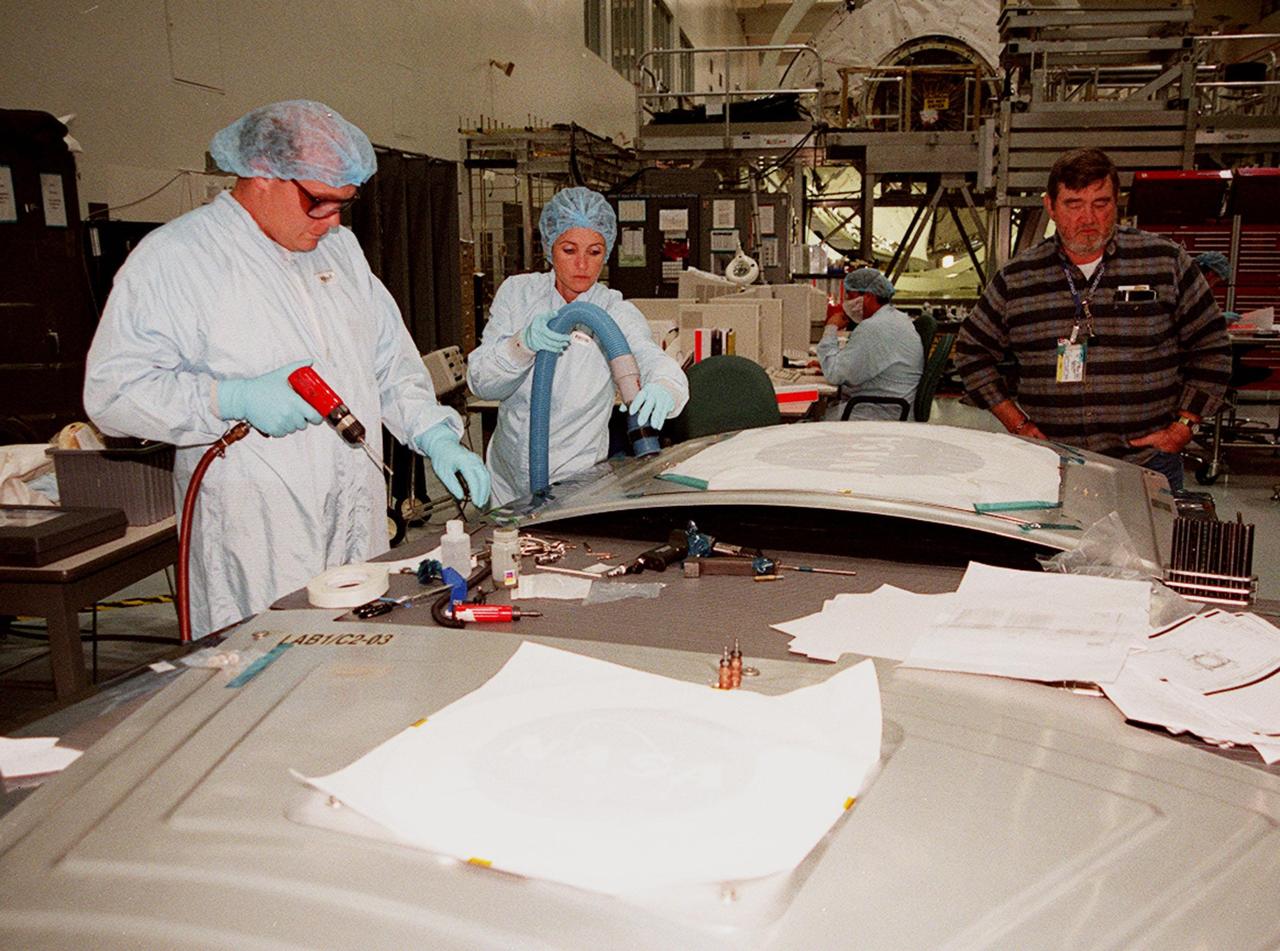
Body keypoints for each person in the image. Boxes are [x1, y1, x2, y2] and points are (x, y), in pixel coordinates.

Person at [84, 100, 489, 638]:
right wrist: (229, 399)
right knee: (264, 677)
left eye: (344, 203)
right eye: (319, 201)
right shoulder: (178, 259)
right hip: (258, 537)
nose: (334, 220)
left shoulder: (340, 252)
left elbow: (390, 364)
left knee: (359, 668)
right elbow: (113, 393)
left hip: (356, 523)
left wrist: (435, 434)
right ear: (263, 174)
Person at [954, 148, 1231, 492]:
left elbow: (1212, 348)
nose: (1088, 217)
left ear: (1118, 204)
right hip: (1049, 464)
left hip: (1146, 463)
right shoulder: (1017, 278)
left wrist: (1183, 428)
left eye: (1101, 204)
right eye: (1073, 204)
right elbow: (971, 352)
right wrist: (1017, 424)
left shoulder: (1164, 263)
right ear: (1051, 207)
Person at [467, 186, 688, 505]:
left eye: (594, 252)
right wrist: (521, 345)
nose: (582, 264)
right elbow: (482, 382)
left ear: (607, 252)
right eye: (569, 250)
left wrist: (665, 386)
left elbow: (651, 358)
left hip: (574, 483)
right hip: (507, 480)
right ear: (549, 247)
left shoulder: (614, 312)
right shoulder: (517, 295)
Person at [818, 267, 924, 421]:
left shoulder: (874, 327)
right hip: (887, 406)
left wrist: (830, 327)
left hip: (877, 413)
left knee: (808, 425)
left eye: (850, 296)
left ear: (868, 296)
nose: (846, 302)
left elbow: (835, 375)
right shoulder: (894, 319)